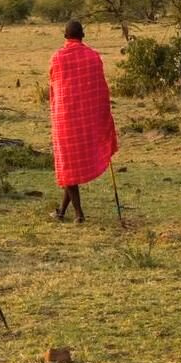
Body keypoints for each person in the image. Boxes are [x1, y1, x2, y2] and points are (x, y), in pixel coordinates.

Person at [48, 19, 118, 223]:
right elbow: (101, 90)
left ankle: (78, 214)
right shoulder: (93, 57)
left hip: (65, 120)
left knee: (67, 166)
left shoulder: (57, 58)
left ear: (65, 36)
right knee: (69, 168)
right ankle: (62, 212)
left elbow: (54, 87)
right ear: (82, 35)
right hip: (87, 121)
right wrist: (103, 118)